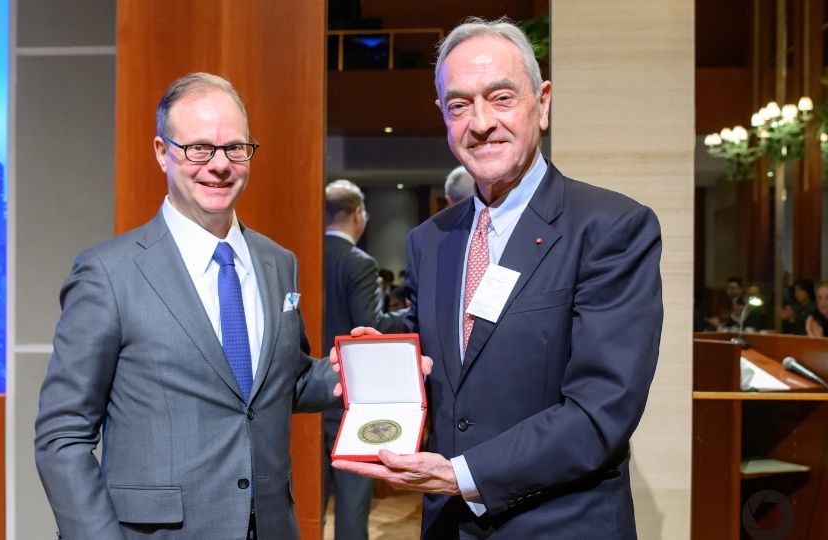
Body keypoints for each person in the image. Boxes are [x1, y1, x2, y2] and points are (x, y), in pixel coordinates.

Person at [333, 17, 663, 539]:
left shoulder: (610, 228)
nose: (481, 122)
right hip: (449, 526)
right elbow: (450, 363)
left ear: (543, 103)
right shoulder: (431, 240)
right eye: (459, 105)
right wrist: (386, 362)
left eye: (501, 97)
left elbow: (601, 410)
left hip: (560, 526)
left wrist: (463, 476)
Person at [34, 73, 339, 540]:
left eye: (234, 148)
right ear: (162, 152)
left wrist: (352, 371)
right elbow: (63, 435)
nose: (219, 165)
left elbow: (283, 383)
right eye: (199, 148)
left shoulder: (278, 263)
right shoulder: (108, 274)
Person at [322, 179, 406, 540]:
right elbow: (371, 326)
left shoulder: (299, 253)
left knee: (306, 497)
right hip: (350, 392)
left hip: (306, 390)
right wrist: (413, 316)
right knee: (352, 499)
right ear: (358, 214)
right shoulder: (359, 262)